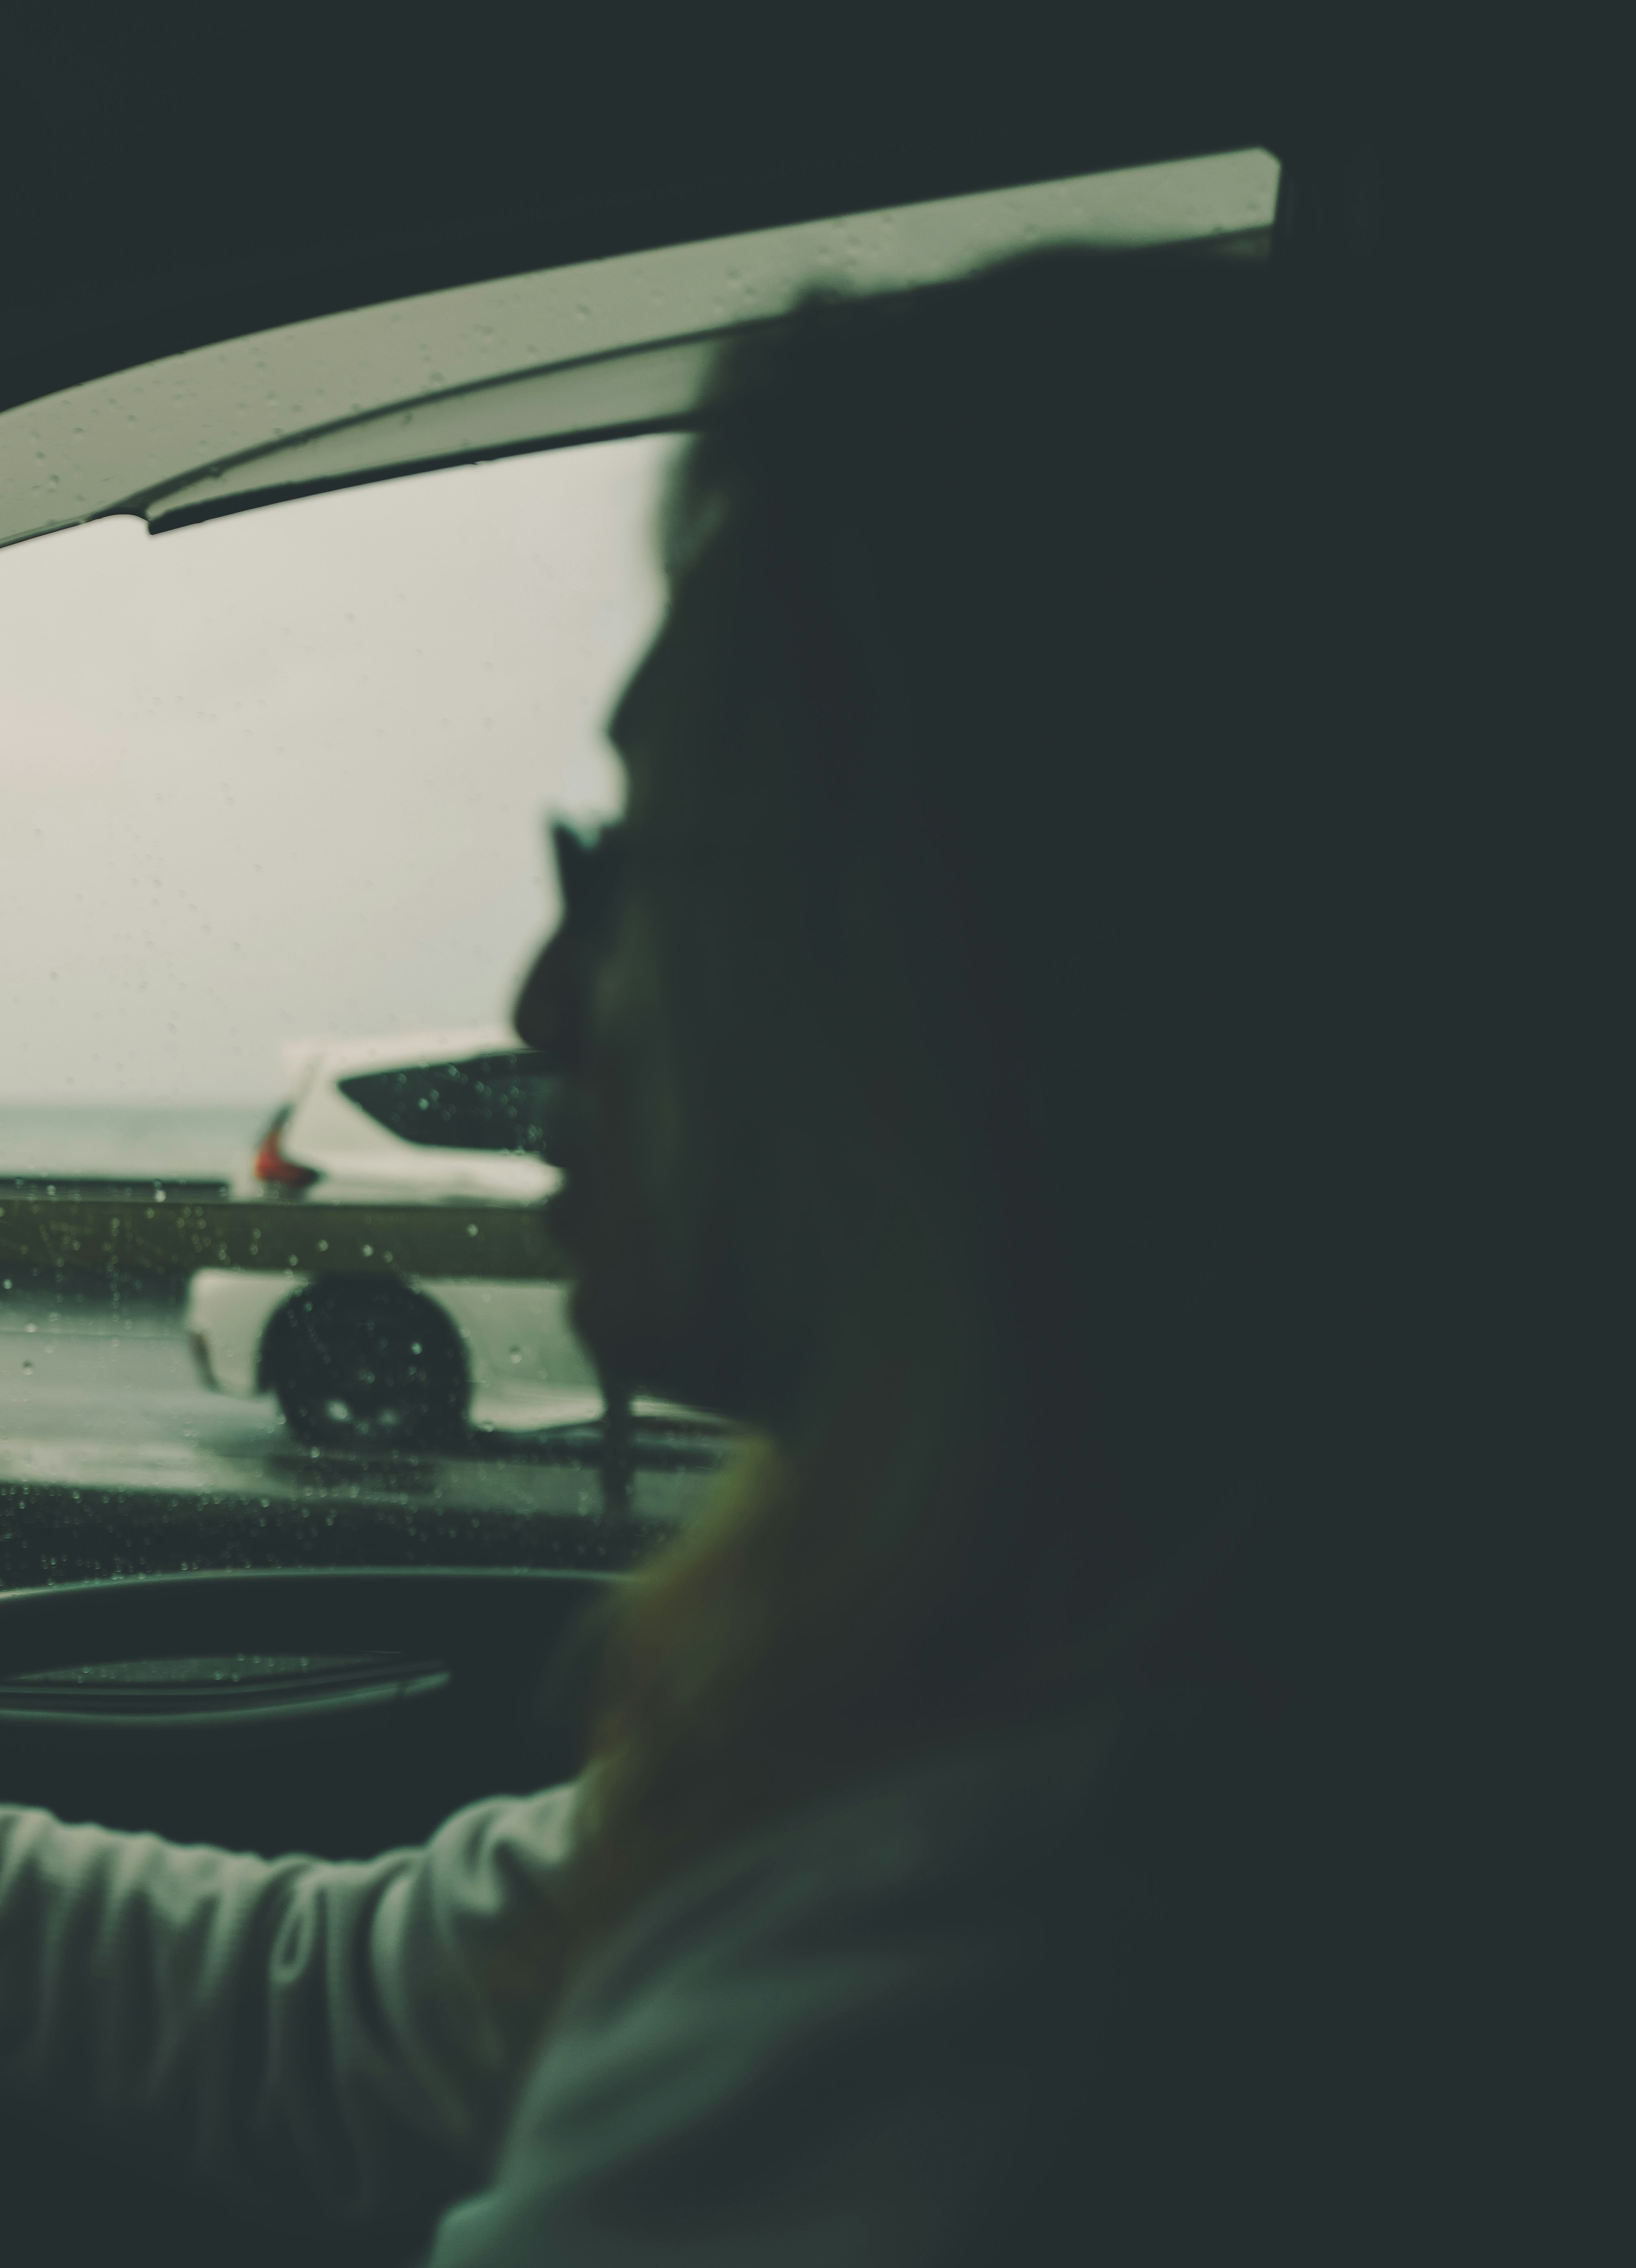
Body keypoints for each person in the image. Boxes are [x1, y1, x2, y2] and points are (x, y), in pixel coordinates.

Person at [0, 246, 1589, 2264]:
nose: (550, 998)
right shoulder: (1011, 1663)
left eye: (644, 866)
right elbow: (339, 2015)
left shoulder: (998, 1946)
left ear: (980, 954)